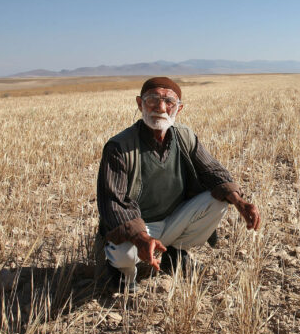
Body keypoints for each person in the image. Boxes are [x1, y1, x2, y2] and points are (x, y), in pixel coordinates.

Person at [96, 77, 261, 288]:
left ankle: (174, 254)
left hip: (174, 219)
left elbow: (212, 171)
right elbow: (113, 204)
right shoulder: (119, 147)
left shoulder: (185, 137)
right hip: (139, 226)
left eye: (169, 102)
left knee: (219, 201)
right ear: (140, 104)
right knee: (124, 255)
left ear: (179, 109)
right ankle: (122, 276)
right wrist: (141, 237)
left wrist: (240, 202)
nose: (161, 108)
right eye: (152, 100)